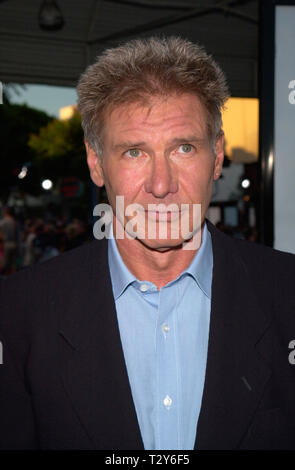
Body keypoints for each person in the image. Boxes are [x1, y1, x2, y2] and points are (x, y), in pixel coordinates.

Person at [0, 36, 295, 451]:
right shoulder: (16, 313)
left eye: (184, 148)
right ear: (96, 163)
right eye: (135, 152)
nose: (161, 185)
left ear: (216, 156)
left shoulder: (287, 294)